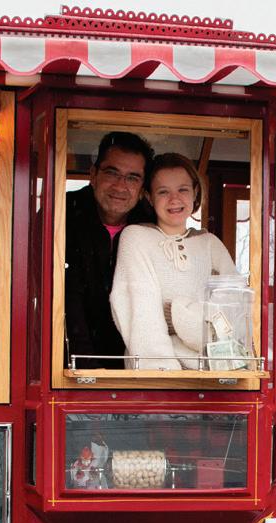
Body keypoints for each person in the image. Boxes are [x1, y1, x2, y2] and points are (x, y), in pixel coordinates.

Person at [110, 153, 238, 370]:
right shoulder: (136, 238)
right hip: (157, 376)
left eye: (183, 189)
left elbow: (233, 317)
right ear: (149, 197)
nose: (174, 199)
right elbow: (141, 317)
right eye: (163, 192)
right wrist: (165, 375)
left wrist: (175, 315)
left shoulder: (210, 244)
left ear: (195, 192)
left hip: (213, 372)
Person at [65, 131, 155, 369]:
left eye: (132, 178)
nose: (120, 186)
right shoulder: (62, 214)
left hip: (134, 369)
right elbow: (62, 299)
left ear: (142, 188)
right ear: (93, 175)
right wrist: (86, 370)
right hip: (65, 366)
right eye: (112, 173)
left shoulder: (152, 226)